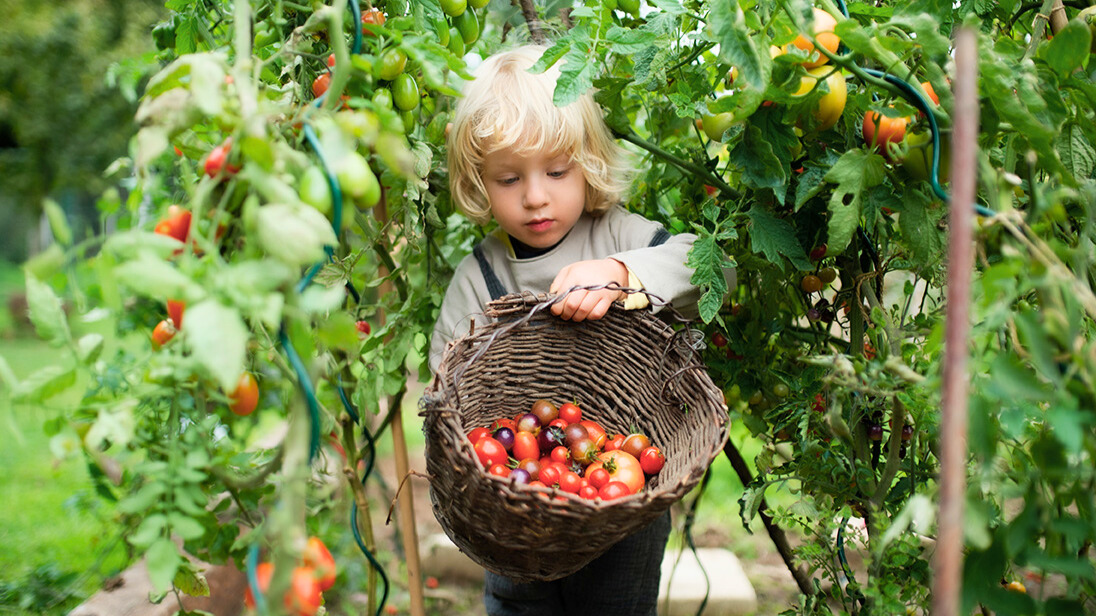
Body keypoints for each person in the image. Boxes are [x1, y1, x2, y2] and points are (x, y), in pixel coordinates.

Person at [428, 44, 716, 616]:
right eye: (509, 179)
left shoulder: (620, 237)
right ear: (482, 183)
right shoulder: (481, 273)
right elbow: (446, 389)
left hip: (622, 516)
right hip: (515, 511)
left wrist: (621, 273)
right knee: (516, 605)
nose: (536, 196)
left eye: (557, 172)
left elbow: (712, 266)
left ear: (588, 162)